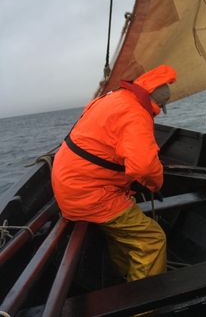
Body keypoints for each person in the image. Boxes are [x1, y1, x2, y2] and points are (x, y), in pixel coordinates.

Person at [52, 64, 176, 282]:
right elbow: (144, 167)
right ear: (157, 104)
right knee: (152, 240)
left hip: (69, 183)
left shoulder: (112, 98)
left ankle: (123, 280)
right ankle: (143, 306)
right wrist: (155, 185)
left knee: (123, 235)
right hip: (89, 193)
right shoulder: (137, 115)